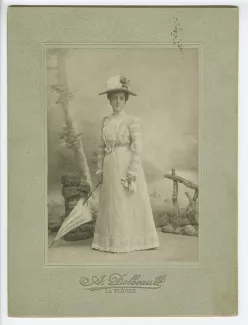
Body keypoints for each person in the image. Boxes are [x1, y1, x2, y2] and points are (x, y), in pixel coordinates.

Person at [91, 75, 159, 253]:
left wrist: (133, 171)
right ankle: (110, 241)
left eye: (122, 98)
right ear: (109, 100)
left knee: (124, 202)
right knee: (111, 203)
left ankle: (129, 241)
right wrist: (99, 168)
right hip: (109, 165)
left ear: (126, 100)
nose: (118, 101)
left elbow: (137, 148)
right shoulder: (105, 122)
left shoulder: (132, 121)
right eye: (114, 98)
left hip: (125, 164)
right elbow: (100, 147)